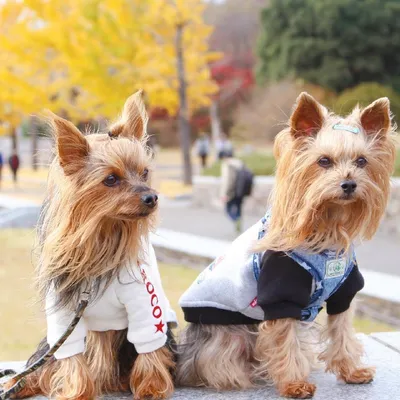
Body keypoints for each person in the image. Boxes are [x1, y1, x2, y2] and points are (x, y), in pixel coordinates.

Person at [220, 154, 254, 233]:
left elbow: (227, 181)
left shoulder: (228, 165)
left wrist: (224, 194)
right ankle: (238, 220)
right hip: (241, 191)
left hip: (231, 192)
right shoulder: (240, 164)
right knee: (238, 208)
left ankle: (235, 219)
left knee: (227, 209)